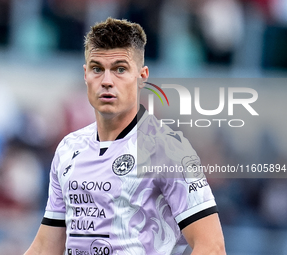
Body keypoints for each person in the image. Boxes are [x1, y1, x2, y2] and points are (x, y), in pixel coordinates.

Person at [24, 17, 226, 255]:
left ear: (142, 77)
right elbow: (46, 246)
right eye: (97, 69)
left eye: (120, 69)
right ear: (85, 74)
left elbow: (212, 247)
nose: (107, 81)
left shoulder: (168, 150)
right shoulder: (68, 148)